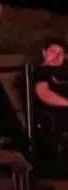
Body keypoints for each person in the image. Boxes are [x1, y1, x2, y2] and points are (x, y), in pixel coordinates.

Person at [32, 37, 68, 175]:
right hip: (53, 117)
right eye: (53, 51)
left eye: (61, 53)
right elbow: (43, 93)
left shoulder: (64, 71)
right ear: (44, 53)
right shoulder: (41, 72)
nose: (57, 56)